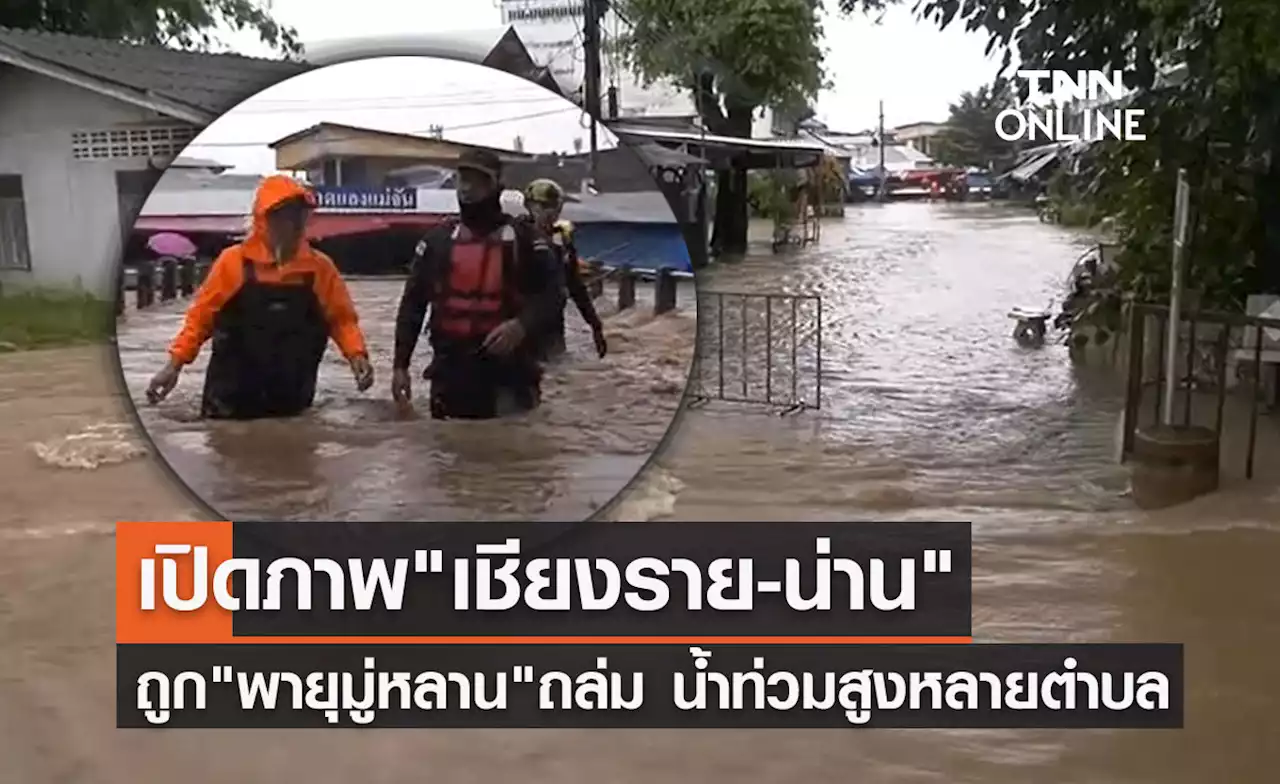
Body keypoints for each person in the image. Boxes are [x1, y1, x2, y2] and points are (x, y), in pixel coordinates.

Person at [145, 174, 374, 419]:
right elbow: (200, 321)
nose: (294, 225)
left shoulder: (320, 269)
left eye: (299, 215)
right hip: (229, 402)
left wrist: (356, 355)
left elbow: (341, 320)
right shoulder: (232, 263)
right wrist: (174, 366)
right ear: (265, 219)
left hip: (292, 404)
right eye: (285, 216)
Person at [390, 149, 561, 419]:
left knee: (513, 454)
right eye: (463, 180)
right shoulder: (438, 241)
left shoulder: (525, 240)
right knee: (447, 453)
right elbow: (413, 304)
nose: (467, 189)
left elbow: (553, 295)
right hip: (450, 376)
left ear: (496, 187)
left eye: (478, 181)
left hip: (509, 377)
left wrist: (521, 325)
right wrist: (400, 366)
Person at [520, 178, 607, 360]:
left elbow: (575, 285)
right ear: (528, 206)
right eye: (543, 206)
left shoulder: (562, 241)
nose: (550, 212)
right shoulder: (516, 237)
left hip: (554, 329)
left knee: (560, 374)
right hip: (521, 329)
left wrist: (595, 325)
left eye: (555, 206)